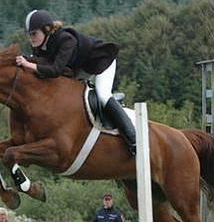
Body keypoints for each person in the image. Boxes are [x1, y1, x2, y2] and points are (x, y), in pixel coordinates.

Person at [15, 9, 136, 156]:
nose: (31, 38)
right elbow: (41, 64)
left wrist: (28, 64)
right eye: (29, 35)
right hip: (80, 68)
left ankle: (133, 139)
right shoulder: (40, 46)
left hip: (101, 62)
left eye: (34, 34)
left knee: (103, 95)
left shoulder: (66, 40)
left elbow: (55, 70)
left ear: (46, 29)